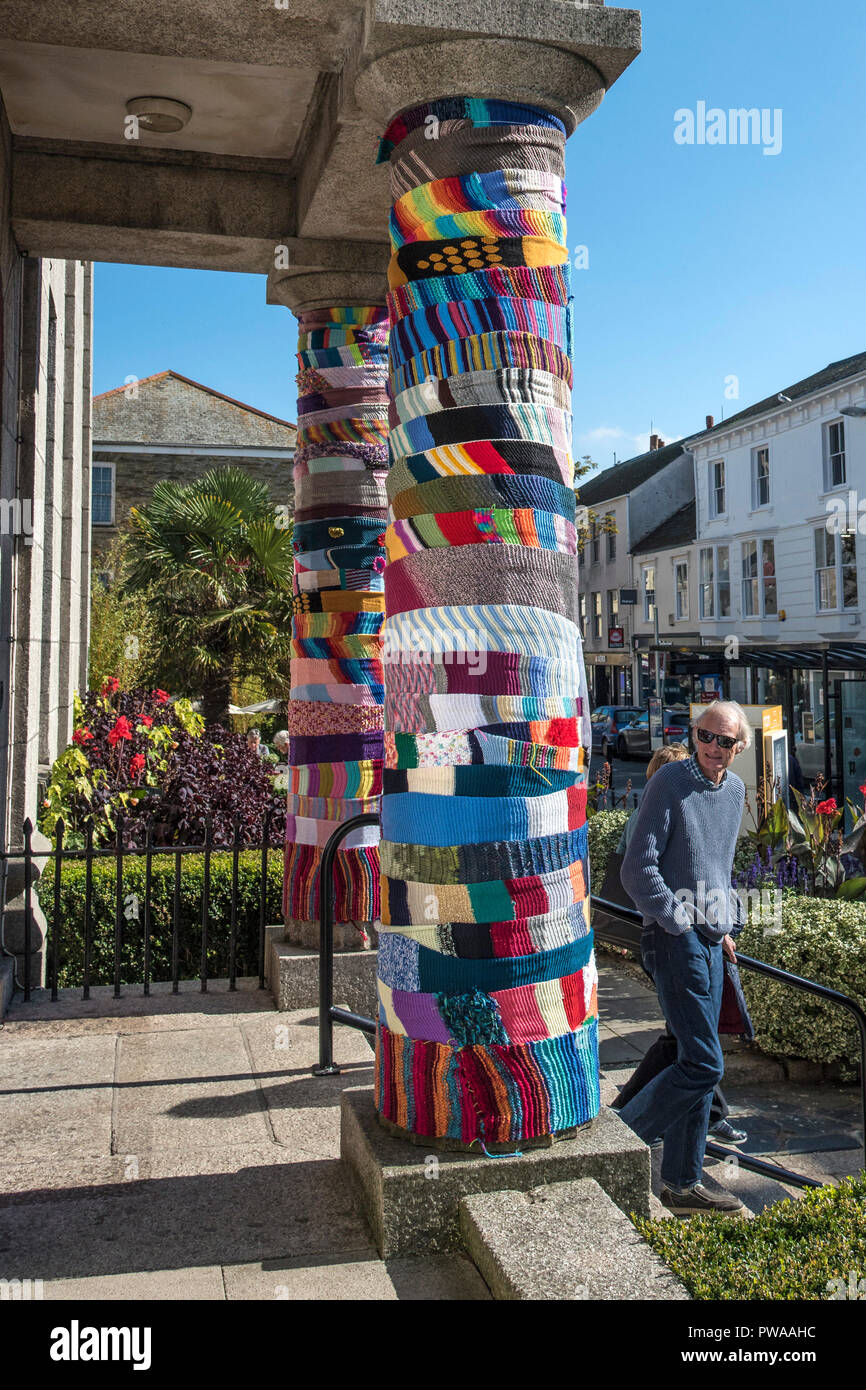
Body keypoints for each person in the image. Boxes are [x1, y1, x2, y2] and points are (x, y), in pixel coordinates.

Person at [616, 700, 751, 1216]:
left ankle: (681, 1181)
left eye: (723, 741)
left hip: (712, 938)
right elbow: (637, 868)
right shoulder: (670, 781)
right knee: (702, 1061)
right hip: (676, 939)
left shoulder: (734, 789)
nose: (712, 748)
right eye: (704, 735)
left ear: (739, 748)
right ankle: (617, 1148)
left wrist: (725, 920)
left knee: (697, 1060)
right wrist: (675, 918)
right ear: (694, 735)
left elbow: (718, 865)